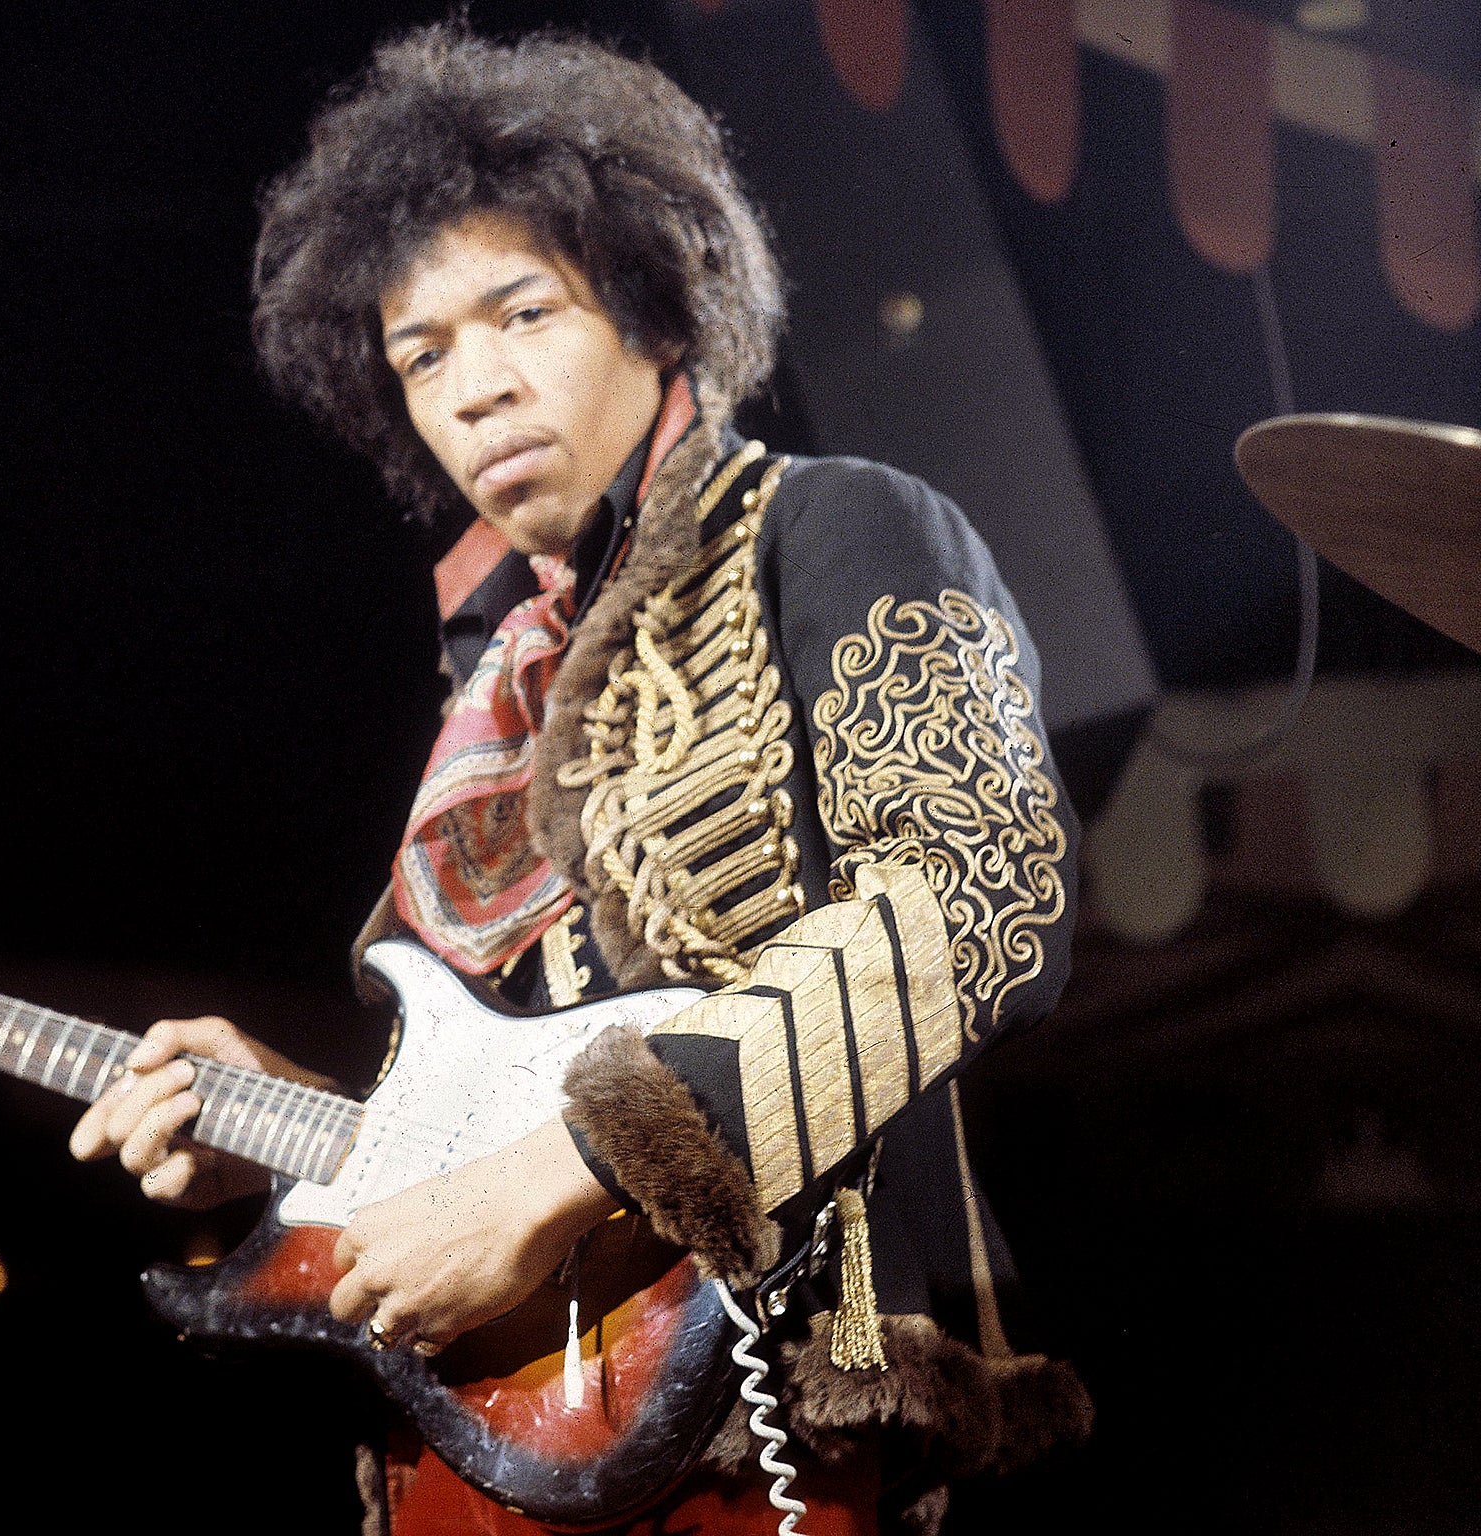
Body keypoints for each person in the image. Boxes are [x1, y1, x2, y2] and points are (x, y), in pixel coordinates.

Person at [68, 23, 1091, 1535]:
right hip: (504, 1443)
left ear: (652, 303)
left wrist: (560, 1173)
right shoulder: (488, 686)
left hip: (795, 1426)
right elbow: (506, 1083)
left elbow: (979, 899)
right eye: (423, 353)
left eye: (520, 311)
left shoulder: (840, 526)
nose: (473, 385)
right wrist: (291, 1129)